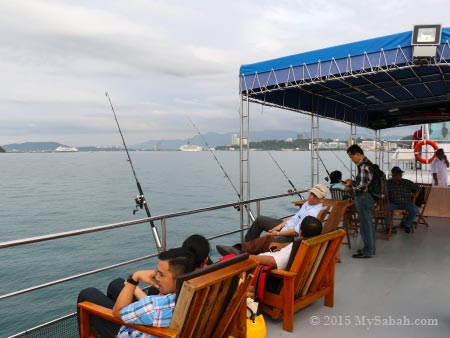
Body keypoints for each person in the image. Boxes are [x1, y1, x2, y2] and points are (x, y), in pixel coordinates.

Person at [77, 248, 195, 338]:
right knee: (117, 284)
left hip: (131, 333)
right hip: (162, 324)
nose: (156, 277)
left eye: (161, 274)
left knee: (87, 294)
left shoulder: (153, 307)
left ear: (179, 279)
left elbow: (117, 313)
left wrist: (135, 278)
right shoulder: (195, 297)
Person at [216, 184, 327, 256]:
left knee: (268, 238)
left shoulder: (313, 213)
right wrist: (278, 226)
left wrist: (277, 232)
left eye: (315, 196)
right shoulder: (308, 204)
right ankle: (246, 247)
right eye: (311, 193)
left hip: (291, 236)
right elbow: (294, 217)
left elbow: (296, 231)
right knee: (260, 220)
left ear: (322, 200)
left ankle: (240, 252)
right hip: (286, 227)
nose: (311, 197)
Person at [251, 216, 323, 269]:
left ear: (300, 231)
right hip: (276, 256)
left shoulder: (297, 248)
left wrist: (249, 257)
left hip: (269, 273)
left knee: (265, 240)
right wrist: (283, 245)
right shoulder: (315, 245)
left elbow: (274, 261)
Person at [344, 144, 376, 259]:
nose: (352, 160)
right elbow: (364, 182)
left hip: (363, 197)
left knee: (365, 225)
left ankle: (368, 251)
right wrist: (353, 182)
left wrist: (350, 185)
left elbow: (362, 186)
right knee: (368, 224)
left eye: (351, 157)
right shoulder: (368, 164)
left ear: (357, 154)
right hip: (367, 197)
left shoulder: (363, 166)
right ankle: (371, 248)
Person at [386, 166, 419, 234]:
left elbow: (418, 189)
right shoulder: (388, 183)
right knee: (385, 208)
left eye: (400, 174)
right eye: (398, 174)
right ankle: (390, 227)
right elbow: (381, 191)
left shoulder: (406, 182)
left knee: (415, 209)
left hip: (406, 203)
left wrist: (414, 198)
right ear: (393, 175)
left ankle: (407, 224)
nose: (400, 175)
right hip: (393, 203)